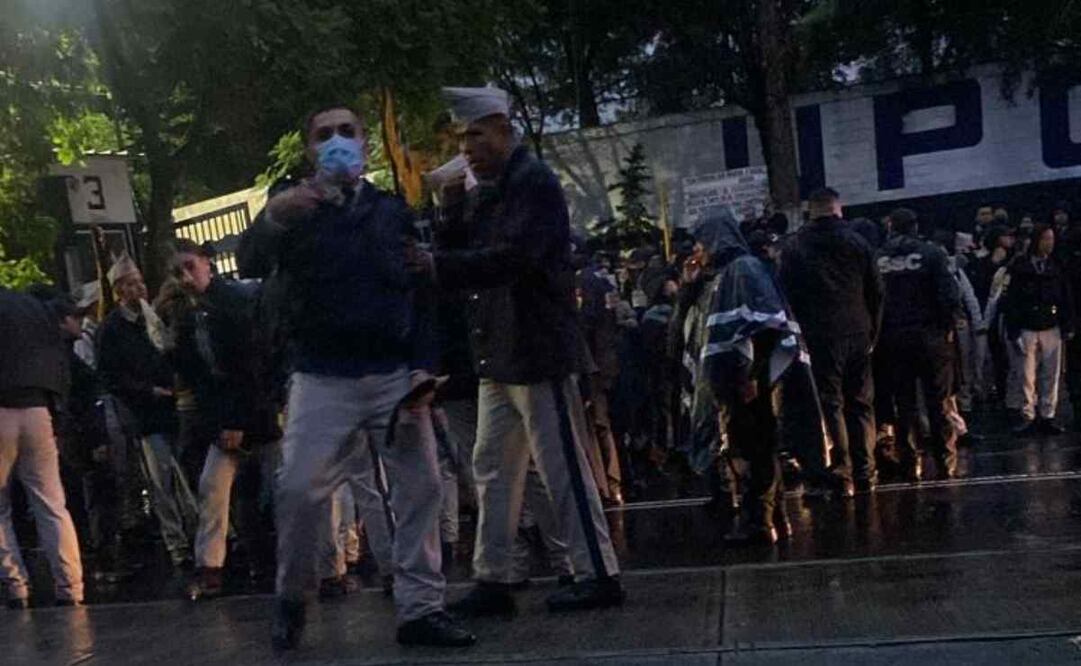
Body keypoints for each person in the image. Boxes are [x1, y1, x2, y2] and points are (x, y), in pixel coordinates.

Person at [252, 103, 473, 651]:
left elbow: (419, 287)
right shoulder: (294, 212)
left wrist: (424, 365)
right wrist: (278, 212)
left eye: (346, 133)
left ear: (366, 146)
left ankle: (421, 607)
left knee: (420, 485)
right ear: (309, 149)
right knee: (300, 488)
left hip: (393, 371)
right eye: (323, 135)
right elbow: (251, 259)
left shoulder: (389, 210)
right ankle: (292, 594)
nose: (336, 143)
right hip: (322, 374)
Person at [417, 86, 623, 617]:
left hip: (534, 350)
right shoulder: (499, 186)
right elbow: (465, 254)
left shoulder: (532, 184)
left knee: (561, 468)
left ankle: (596, 571)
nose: (467, 147)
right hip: (505, 351)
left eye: (477, 135)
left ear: (505, 130)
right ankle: (495, 576)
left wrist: (442, 262)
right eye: (463, 138)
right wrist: (451, 205)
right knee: (492, 468)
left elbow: (510, 257)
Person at [164, 240, 281, 600]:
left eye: (190, 267)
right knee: (217, 488)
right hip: (236, 416)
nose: (185, 277)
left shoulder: (227, 305)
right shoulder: (194, 313)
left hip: (250, 414)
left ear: (206, 264)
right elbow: (199, 375)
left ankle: (215, 565)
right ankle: (212, 566)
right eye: (179, 271)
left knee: (256, 487)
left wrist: (233, 421)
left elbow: (246, 367)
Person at [697, 208, 806, 545]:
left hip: (747, 380)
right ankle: (771, 517)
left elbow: (764, 326)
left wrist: (751, 375)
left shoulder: (742, 270)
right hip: (740, 379)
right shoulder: (728, 273)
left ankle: (759, 520)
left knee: (753, 447)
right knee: (756, 446)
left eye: (701, 243)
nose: (697, 251)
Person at [780, 188, 883, 495]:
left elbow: (787, 295)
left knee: (830, 402)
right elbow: (876, 291)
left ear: (812, 211)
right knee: (862, 403)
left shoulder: (795, 245)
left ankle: (841, 471)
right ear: (838, 210)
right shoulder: (858, 242)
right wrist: (872, 333)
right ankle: (866, 470)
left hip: (819, 334)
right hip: (858, 330)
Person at [97, 256, 197, 569]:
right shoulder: (111, 329)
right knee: (161, 479)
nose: (138, 288)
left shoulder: (153, 318)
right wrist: (146, 390)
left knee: (184, 473)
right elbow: (111, 376)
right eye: (130, 283)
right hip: (144, 415)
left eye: (139, 281)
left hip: (172, 406)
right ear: (118, 290)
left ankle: (195, 533)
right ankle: (176, 542)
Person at [0, 286, 84, 608]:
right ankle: (71, 586)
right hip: (39, 408)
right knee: (51, 502)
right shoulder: (32, 308)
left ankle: (16, 584)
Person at [877, 210, 962, 480]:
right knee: (938, 401)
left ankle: (909, 460)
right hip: (931, 337)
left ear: (891, 227)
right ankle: (944, 460)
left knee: (904, 404)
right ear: (915, 227)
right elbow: (950, 295)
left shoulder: (878, 258)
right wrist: (947, 327)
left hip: (893, 338)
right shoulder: (932, 254)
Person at [1004, 224, 1074, 435]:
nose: (1049, 244)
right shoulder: (1021, 267)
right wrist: (1013, 328)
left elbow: (1065, 296)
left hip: (1051, 324)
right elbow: (1012, 299)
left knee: (1051, 374)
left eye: (1051, 239)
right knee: (1026, 374)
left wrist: (1067, 323)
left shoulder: (1056, 266)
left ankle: (1048, 414)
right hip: (1027, 324)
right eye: (1045, 239)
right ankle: (1028, 414)